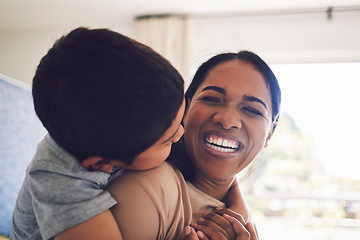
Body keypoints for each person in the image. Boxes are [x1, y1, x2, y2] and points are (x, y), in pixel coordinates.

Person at [10, 27, 185, 240]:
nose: (180, 134)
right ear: (100, 164)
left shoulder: (106, 135)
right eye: (167, 140)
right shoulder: (60, 180)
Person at [107, 50, 281, 239]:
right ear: (186, 108)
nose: (227, 120)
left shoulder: (240, 220)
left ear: (270, 132)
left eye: (251, 110)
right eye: (212, 99)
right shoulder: (148, 190)